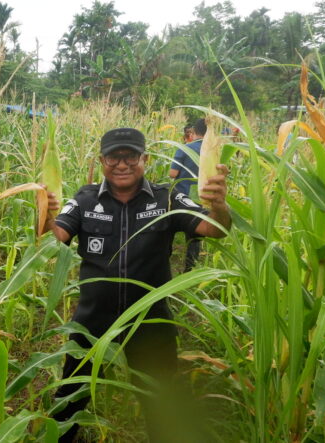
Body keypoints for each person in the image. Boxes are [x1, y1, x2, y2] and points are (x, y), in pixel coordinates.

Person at [44, 127, 231, 442]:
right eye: (113, 157)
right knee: (69, 399)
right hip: (93, 321)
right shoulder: (85, 198)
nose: (122, 164)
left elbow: (215, 229)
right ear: (102, 160)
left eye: (130, 155)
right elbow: (56, 236)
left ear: (144, 158)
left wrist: (220, 207)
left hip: (150, 322)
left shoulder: (167, 198)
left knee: (160, 402)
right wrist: (45, 211)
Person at [170, 118, 207, 271]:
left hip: (183, 195)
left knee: (171, 226)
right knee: (194, 233)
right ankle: (189, 268)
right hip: (202, 196)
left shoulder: (186, 148)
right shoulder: (214, 150)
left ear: (194, 131)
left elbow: (173, 173)